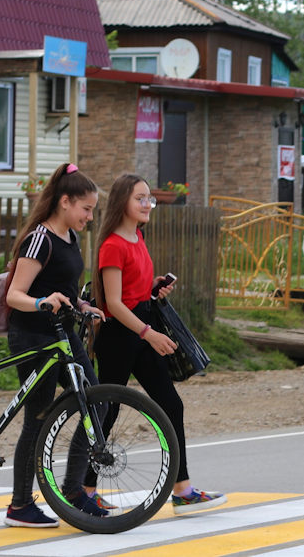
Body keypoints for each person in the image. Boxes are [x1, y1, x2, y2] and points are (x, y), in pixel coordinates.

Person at [92, 173, 226, 515]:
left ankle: (183, 490)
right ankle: (84, 490)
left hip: (141, 329)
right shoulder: (112, 245)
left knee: (170, 405)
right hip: (121, 336)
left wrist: (153, 288)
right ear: (122, 202)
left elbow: (132, 292)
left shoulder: (137, 237)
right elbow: (114, 304)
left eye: (149, 198)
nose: (148, 204)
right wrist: (148, 333)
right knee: (106, 412)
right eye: (140, 198)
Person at [3, 163, 117, 528]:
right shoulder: (40, 238)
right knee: (37, 419)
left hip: (63, 335)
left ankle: (73, 491)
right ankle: (20, 506)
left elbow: (62, 289)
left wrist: (81, 304)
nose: (90, 217)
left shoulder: (70, 237)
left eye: (93, 210)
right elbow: (14, 295)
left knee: (96, 401)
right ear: (65, 202)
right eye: (86, 209)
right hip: (33, 335)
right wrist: (41, 302)